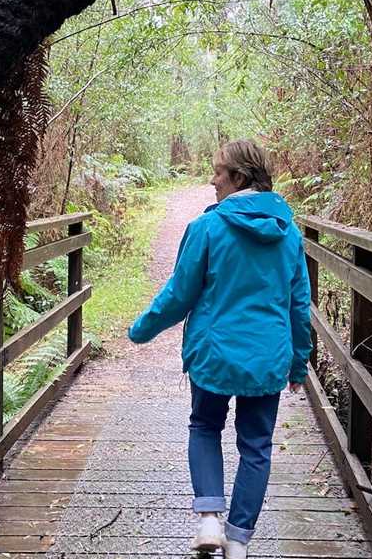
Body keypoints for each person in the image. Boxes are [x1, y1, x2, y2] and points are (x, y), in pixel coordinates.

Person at [128, 139, 312, 559]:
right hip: (268, 359)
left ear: (239, 178)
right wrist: (298, 363)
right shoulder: (289, 235)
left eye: (218, 172)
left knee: (205, 426)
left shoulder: (207, 228)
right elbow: (299, 306)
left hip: (214, 354)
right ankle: (239, 541)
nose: (212, 180)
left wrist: (142, 330)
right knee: (256, 446)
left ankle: (209, 517)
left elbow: (179, 294)